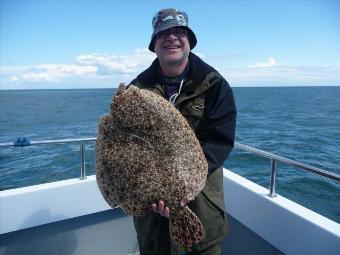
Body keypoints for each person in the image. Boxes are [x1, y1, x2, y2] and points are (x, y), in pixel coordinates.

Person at [129, 8, 237, 255]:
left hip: (200, 198)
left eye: (179, 32)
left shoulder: (214, 85)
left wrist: (183, 184)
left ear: (190, 41)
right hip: (152, 201)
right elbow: (128, 145)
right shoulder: (136, 89)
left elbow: (218, 141)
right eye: (163, 34)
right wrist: (152, 189)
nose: (172, 38)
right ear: (154, 45)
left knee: (205, 250)